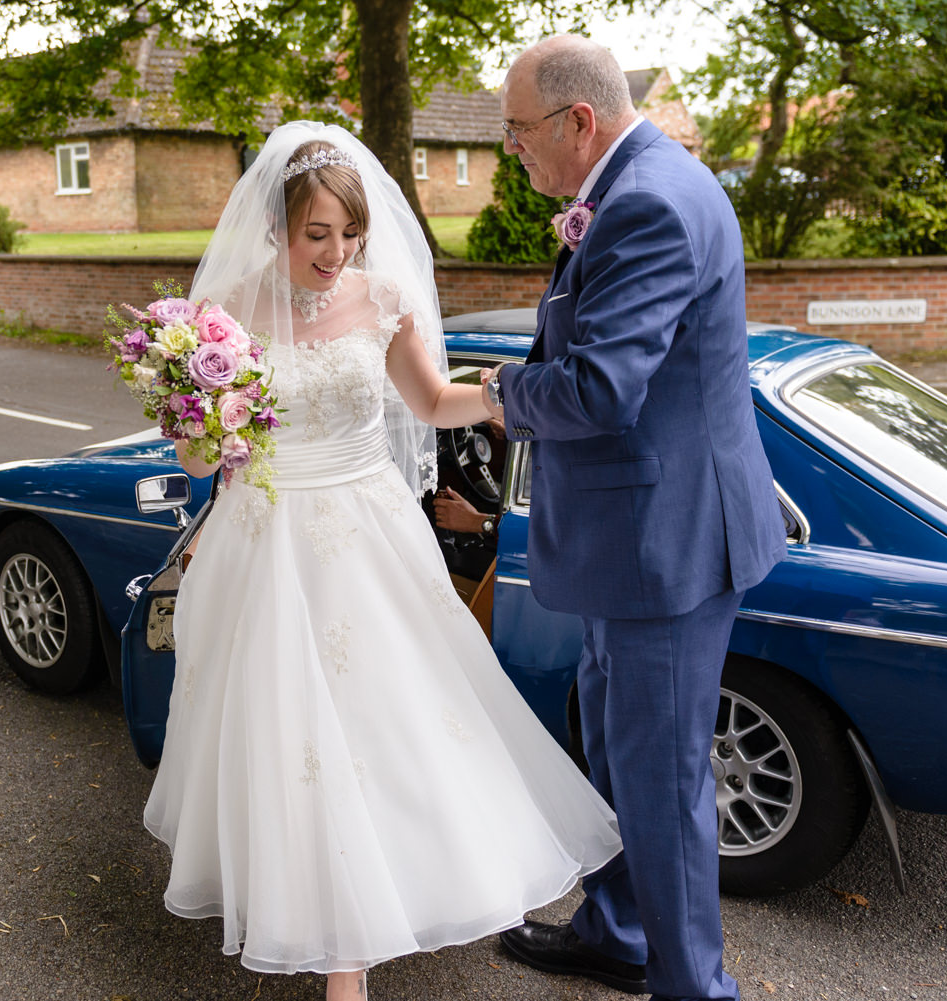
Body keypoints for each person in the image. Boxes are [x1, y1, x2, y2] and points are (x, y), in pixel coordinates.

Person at [142, 122, 622, 1001]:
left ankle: (371, 926)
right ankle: (335, 945)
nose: (336, 252)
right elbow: (195, 461)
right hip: (268, 538)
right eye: (316, 235)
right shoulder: (224, 317)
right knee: (293, 734)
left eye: (348, 233)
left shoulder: (386, 295)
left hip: (366, 532)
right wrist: (203, 436)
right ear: (278, 231)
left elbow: (432, 399)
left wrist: (508, 397)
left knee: (384, 723)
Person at [485, 37, 788, 1001]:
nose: (511, 151)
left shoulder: (649, 201)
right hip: (636, 543)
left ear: (580, 121)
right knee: (615, 752)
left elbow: (599, 389)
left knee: (660, 788)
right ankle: (617, 932)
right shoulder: (638, 184)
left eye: (518, 131)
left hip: (667, 549)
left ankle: (695, 989)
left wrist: (496, 391)